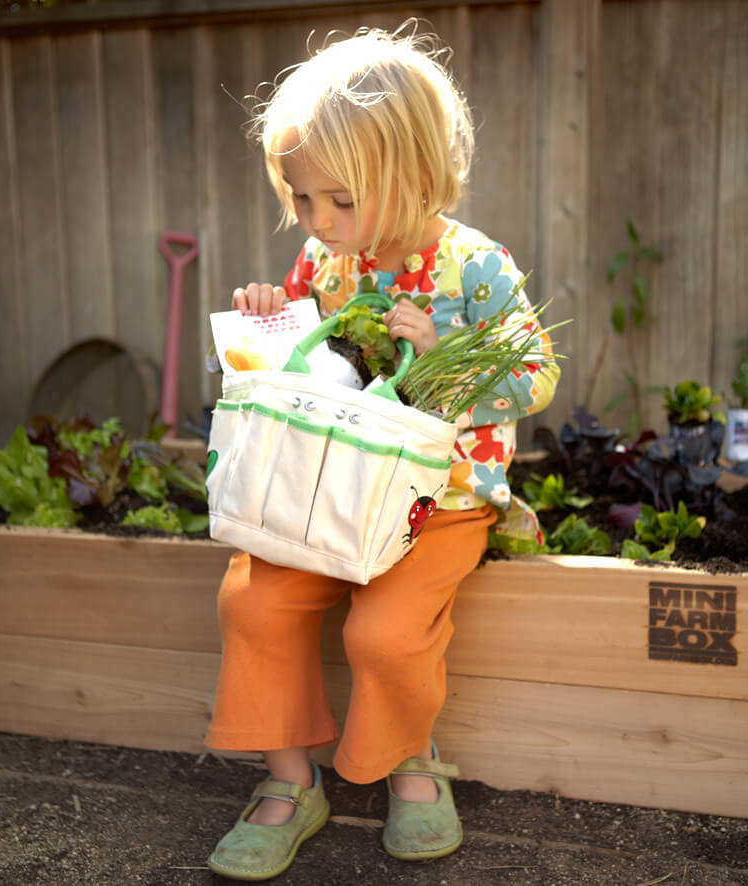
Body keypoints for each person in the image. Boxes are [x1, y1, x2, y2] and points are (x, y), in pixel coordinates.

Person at [205, 23, 560, 880]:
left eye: (340, 200)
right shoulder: (321, 260)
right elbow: (298, 364)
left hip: (435, 502)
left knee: (387, 635)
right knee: (254, 605)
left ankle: (410, 762)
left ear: (409, 174)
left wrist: (442, 357)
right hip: (322, 495)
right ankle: (290, 784)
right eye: (300, 199)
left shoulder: (473, 267)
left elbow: (537, 376)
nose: (318, 224)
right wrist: (266, 319)